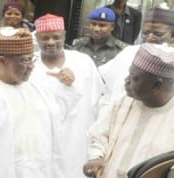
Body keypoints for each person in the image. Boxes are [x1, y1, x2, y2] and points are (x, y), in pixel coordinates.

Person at [0, 27, 79, 178]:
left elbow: (60, 116)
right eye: (25, 61)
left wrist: (66, 87)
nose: (31, 66)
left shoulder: (36, 86)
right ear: (2, 61)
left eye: (31, 59)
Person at [83, 43, 174, 178]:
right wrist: (96, 158)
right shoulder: (124, 102)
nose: (126, 81)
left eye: (134, 77)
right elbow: (100, 135)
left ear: (157, 84)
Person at [31, 13, 105, 178]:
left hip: (76, 140)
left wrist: (73, 84)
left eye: (56, 37)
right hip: (40, 143)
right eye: (45, 38)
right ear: (36, 38)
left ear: (64, 35)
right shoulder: (30, 66)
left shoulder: (83, 63)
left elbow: (100, 102)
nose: (50, 42)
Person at [98, 5, 174, 108]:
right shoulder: (128, 52)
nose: (150, 38)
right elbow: (105, 87)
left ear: (173, 34)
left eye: (157, 34)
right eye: (145, 33)